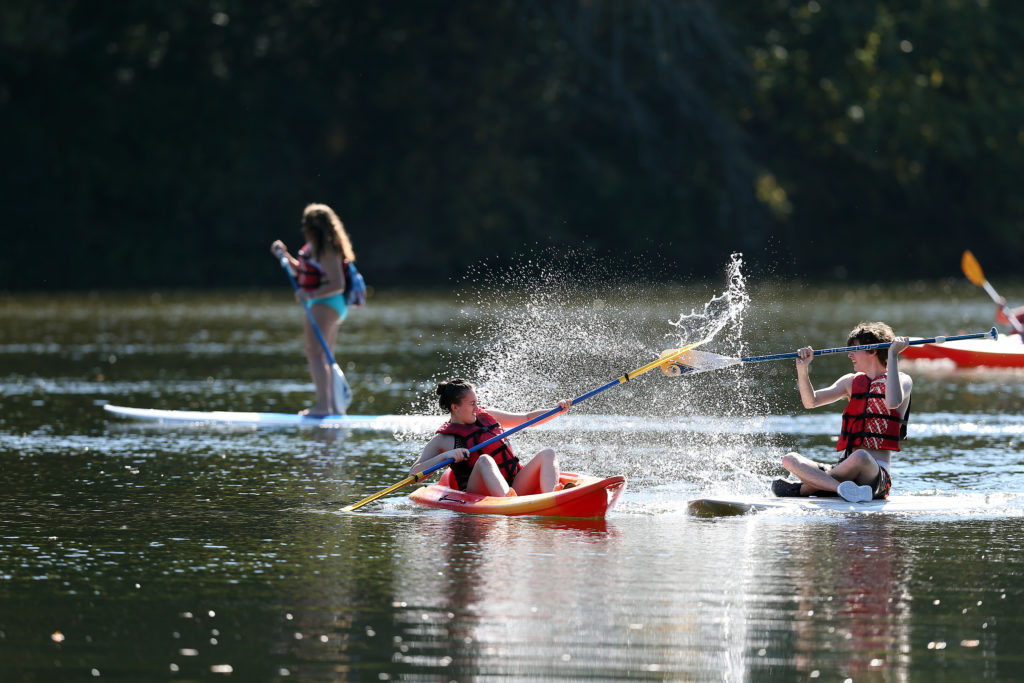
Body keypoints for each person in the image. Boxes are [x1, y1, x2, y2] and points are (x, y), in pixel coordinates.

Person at [772, 322, 912, 503]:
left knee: (860, 456)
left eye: (855, 349)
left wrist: (893, 355)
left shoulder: (902, 380)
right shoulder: (850, 382)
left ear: (873, 350)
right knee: (790, 459)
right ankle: (839, 488)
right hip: (842, 470)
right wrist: (802, 368)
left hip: (875, 478)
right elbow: (810, 402)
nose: (850, 355)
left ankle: (805, 488)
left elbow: (892, 402)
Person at [411, 378, 573, 497]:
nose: (477, 408)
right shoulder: (443, 439)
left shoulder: (487, 415)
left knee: (548, 453)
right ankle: (506, 499)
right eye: (472, 404)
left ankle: (553, 496)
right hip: (480, 494)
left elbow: (527, 419)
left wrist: (557, 410)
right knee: (484, 460)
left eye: (477, 403)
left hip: (514, 484)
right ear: (455, 407)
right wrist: (446, 455)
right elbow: (414, 475)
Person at [270, 203, 357, 417]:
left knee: (315, 355)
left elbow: (337, 284)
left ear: (313, 227)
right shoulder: (315, 249)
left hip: (326, 304)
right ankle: (334, 408)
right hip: (326, 304)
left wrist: (310, 295)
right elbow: (302, 272)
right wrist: (284, 256)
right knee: (323, 356)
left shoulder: (327, 249)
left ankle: (323, 406)